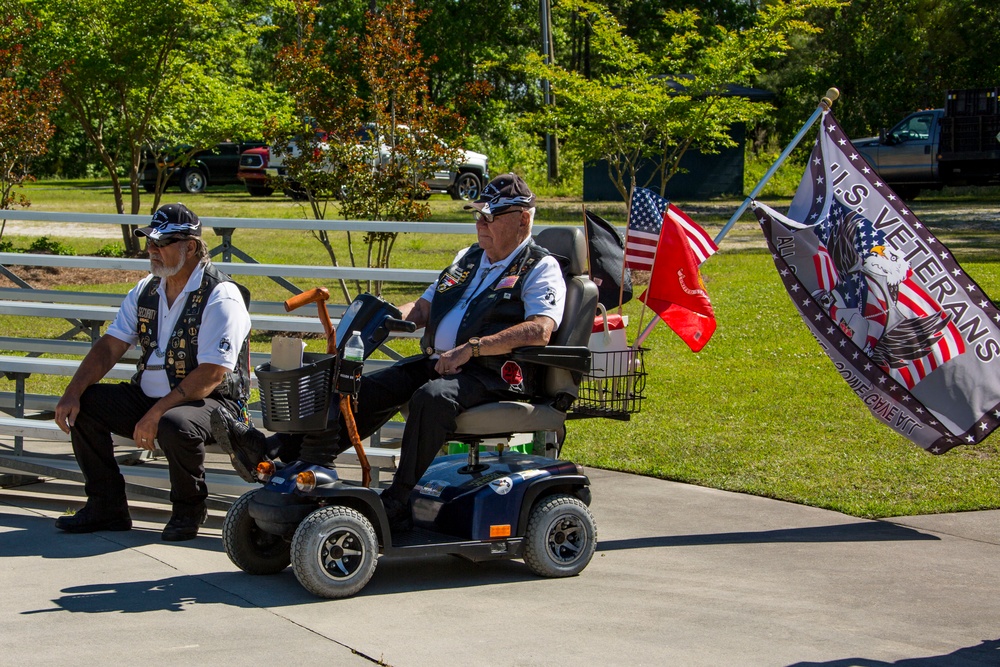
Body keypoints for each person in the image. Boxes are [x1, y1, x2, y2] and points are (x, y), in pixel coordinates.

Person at [212, 173, 565, 530]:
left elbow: (540, 329)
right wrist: (386, 321)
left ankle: (398, 499)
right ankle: (278, 454)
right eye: (477, 216)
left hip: (496, 373)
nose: (480, 224)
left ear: (523, 219)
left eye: (490, 217)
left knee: (432, 398)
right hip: (443, 363)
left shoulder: (540, 267)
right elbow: (425, 306)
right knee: (362, 386)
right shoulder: (470, 258)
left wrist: (472, 348)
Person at [54, 203, 253, 541]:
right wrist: (72, 392)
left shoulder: (221, 295)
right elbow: (109, 346)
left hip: (216, 404)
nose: (153, 251)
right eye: (150, 243)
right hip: (152, 396)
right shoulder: (147, 288)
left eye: (161, 244)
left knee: (174, 424)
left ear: (190, 246)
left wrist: (156, 413)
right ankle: (107, 506)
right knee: (86, 405)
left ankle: (189, 510)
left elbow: (211, 374)